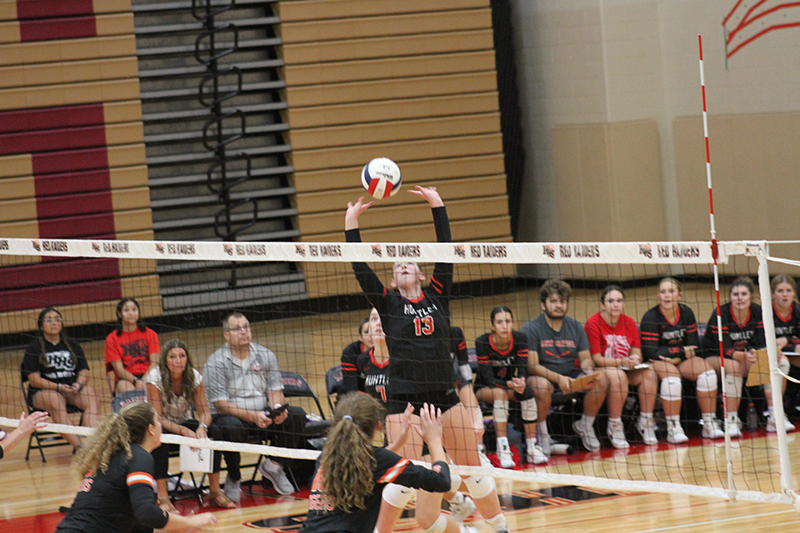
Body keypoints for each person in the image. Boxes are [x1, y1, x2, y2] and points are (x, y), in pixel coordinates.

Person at [346, 187, 508, 533]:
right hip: (404, 402)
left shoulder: (438, 294)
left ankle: (499, 528)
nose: (404, 266)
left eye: (411, 264)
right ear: (393, 279)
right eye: (398, 265)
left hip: (444, 397)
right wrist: (351, 224)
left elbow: (445, 249)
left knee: (472, 467)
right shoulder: (387, 304)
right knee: (408, 479)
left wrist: (438, 205)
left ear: (421, 274)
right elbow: (360, 268)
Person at [300, 393, 454, 533]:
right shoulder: (378, 461)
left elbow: (370, 465)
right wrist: (434, 441)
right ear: (378, 426)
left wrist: (397, 443)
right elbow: (441, 481)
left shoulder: (326, 456)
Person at [55, 402, 217, 533]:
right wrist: (188, 521)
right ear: (150, 429)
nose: (161, 425)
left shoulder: (116, 456)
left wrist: (178, 527)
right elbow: (146, 512)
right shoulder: (139, 456)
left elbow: (136, 523)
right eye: (157, 420)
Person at [204, 311, 307, 500]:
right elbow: (220, 405)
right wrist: (253, 416)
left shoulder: (265, 355)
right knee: (228, 427)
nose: (243, 332)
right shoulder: (215, 362)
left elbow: (275, 390)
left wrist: (277, 408)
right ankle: (234, 476)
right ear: (226, 335)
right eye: (237, 329)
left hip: (262, 414)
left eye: (246, 327)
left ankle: (274, 465)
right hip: (232, 416)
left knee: (297, 415)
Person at [145, 339, 236, 511]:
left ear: (187, 359)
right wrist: (183, 431)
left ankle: (215, 491)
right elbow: (156, 418)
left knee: (214, 431)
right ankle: (163, 497)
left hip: (182, 421)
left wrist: (202, 427)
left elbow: (205, 413)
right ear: (165, 360)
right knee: (160, 439)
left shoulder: (194, 377)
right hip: (157, 424)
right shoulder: (154, 378)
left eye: (182, 356)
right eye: (173, 357)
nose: (178, 360)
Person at [521, 279, 609, 452]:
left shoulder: (575, 326)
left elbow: (585, 359)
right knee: (540, 386)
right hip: (544, 377)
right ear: (543, 305)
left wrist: (587, 372)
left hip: (570, 375)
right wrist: (559, 379)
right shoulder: (531, 328)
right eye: (553, 301)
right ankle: (543, 435)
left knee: (601, 379)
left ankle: (586, 425)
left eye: (562, 301)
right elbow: (532, 365)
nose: (559, 305)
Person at [702, 277, 794, 435]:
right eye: (735, 294)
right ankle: (731, 420)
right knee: (734, 367)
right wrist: (745, 356)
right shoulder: (721, 313)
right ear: (730, 297)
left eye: (744, 294)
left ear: (751, 296)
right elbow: (722, 347)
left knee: (780, 362)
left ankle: (775, 416)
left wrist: (762, 355)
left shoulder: (757, 311)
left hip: (745, 356)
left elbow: (760, 342)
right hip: (714, 356)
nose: (740, 298)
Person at [640, 277, 725, 441]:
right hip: (657, 363)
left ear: (679, 295)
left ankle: (709, 423)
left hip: (679, 360)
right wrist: (680, 352)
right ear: (658, 296)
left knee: (708, 373)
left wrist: (675, 356)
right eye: (663, 292)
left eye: (671, 291)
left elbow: (693, 347)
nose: (667, 296)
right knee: (672, 379)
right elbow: (651, 353)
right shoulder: (650, 317)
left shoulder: (686, 313)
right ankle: (673, 428)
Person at [585, 285, 659, 448]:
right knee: (619, 377)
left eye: (619, 301)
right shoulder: (593, 323)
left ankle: (645, 422)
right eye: (610, 301)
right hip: (602, 368)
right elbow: (596, 359)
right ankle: (615, 425)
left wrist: (635, 358)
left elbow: (637, 351)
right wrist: (621, 362)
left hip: (625, 368)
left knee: (650, 374)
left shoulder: (629, 322)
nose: (615, 304)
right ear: (603, 305)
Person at [475, 306, 547, 467]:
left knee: (527, 393)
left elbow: (522, 368)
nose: (504, 326)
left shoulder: (520, 338)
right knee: (500, 393)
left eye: (507, 321)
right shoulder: (482, 342)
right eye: (499, 322)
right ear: (492, 327)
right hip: (484, 388)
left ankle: (532, 446)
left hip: (509, 387)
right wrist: (508, 384)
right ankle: (503, 449)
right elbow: (487, 377)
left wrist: (520, 381)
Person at [22, 307, 100, 449]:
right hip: (43, 391)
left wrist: (79, 385)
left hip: (70, 389)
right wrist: (57, 387)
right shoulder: (34, 348)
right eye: (49, 320)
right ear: (41, 326)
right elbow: (34, 379)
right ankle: (80, 448)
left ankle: (91, 444)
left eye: (57, 319)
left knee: (90, 394)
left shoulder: (72, 344)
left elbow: (84, 370)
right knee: (55, 399)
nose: (54, 323)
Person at [105, 298, 160, 395]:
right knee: (128, 390)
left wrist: (144, 380)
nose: (131, 313)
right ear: (119, 314)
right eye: (126, 310)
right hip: (126, 379)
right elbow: (119, 370)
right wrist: (135, 381)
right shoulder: (112, 339)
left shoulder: (151, 334)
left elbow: (154, 363)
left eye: (134, 310)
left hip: (149, 376)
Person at [450, 325, 488, 467]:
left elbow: (463, 365)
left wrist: (467, 385)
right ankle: (452, 454)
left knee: (466, 389)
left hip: (454, 379)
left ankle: (479, 452)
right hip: (434, 386)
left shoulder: (455, 333)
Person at [341, 315, 374, 393]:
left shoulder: (388, 350)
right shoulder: (350, 352)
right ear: (360, 337)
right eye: (367, 332)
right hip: (356, 397)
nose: (371, 336)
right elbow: (351, 389)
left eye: (374, 331)